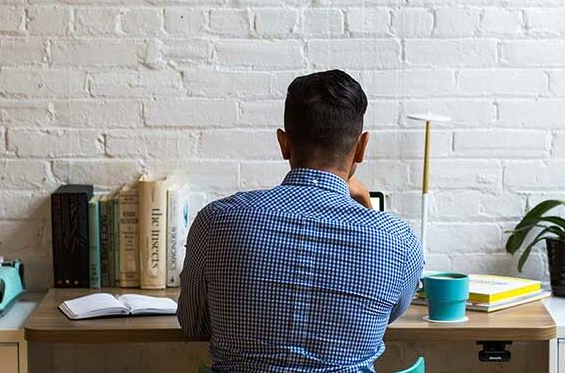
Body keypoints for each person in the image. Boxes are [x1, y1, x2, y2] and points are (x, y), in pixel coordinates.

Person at [178, 69, 425, 372]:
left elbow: (193, 324)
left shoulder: (216, 222)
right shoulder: (398, 241)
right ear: (361, 147)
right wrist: (370, 214)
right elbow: (385, 316)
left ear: (284, 143)